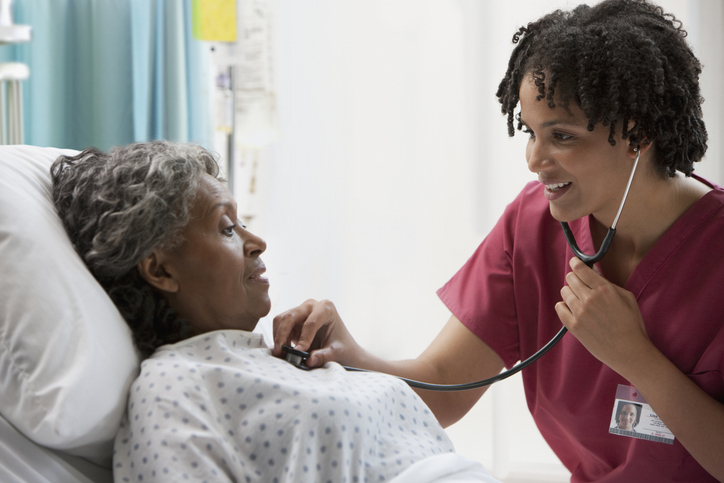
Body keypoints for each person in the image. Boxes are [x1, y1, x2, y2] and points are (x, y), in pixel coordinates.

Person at [272, 1, 724, 481]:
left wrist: (636, 358)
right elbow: (444, 384)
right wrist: (351, 359)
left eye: (562, 136)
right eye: (530, 132)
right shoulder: (532, 224)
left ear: (638, 132)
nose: (534, 158)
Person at [50, 141, 498, 483]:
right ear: (160, 269)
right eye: (227, 228)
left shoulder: (279, 359)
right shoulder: (174, 387)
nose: (256, 242)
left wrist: (353, 359)